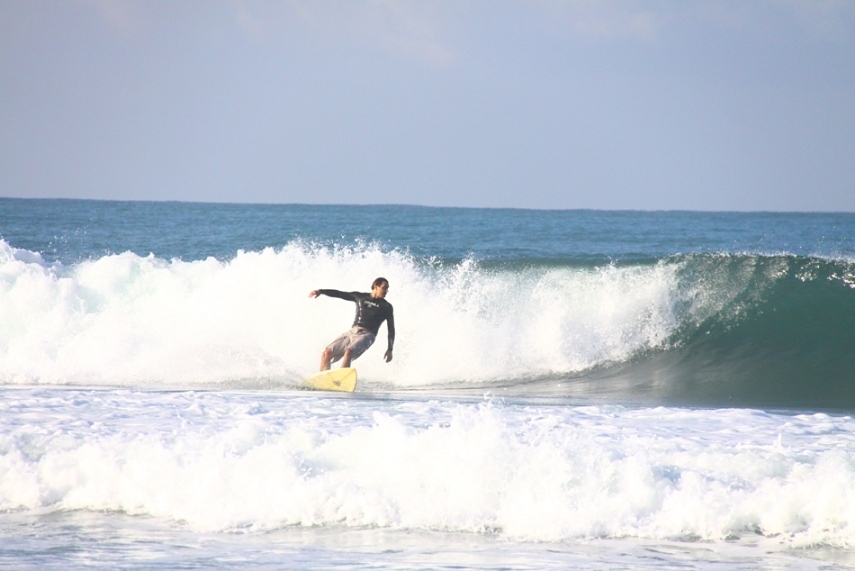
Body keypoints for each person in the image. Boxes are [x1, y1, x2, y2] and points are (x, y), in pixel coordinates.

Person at [309, 277, 395, 371]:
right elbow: (340, 294)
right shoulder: (360, 297)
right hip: (352, 332)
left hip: (367, 335)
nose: (386, 291)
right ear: (376, 286)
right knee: (326, 353)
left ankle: (342, 377)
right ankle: (323, 377)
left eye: (387, 288)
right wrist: (321, 291)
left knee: (349, 351)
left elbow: (391, 328)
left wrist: (390, 349)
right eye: (384, 288)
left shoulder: (387, 307)